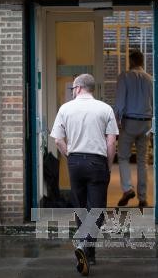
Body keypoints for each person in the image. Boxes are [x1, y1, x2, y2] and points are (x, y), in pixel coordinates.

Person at [50, 73, 118, 276]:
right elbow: (111, 141)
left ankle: (87, 250)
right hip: (97, 161)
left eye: (73, 89)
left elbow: (58, 140)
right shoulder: (105, 109)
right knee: (96, 209)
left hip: (75, 162)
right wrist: (108, 165)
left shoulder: (65, 108)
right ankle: (87, 245)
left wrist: (69, 154)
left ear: (78, 88)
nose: (72, 92)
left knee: (80, 207)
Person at [114, 49, 153, 208]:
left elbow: (120, 103)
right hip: (146, 123)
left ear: (131, 61)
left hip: (129, 123)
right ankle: (143, 198)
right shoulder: (150, 79)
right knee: (142, 161)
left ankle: (127, 189)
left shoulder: (124, 76)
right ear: (142, 62)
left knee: (123, 157)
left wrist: (116, 122)